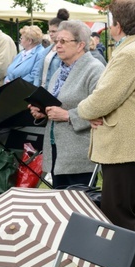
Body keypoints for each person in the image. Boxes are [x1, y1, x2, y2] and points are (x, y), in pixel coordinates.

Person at [78, 0, 135, 267]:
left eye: (111, 20)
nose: (108, 25)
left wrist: (86, 110)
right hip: (133, 144)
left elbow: (104, 97)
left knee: (118, 211)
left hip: (125, 145)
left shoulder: (129, 54)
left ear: (119, 25)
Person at [28, 20, 104, 188]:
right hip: (57, 152)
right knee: (60, 208)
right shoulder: (59, 72)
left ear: (80, 45)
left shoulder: (95, 70)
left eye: (63, 41)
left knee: (79, 208)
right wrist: (43, 112)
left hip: (80, 155)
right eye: (56, 42)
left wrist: (68, 115)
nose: (57, 46)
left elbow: (101, 110)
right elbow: (58, 106)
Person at [40, 10, 69, 87]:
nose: (50, 34)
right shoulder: (47, 50)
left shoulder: (66, 50)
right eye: (49, 31)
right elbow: (39, 71)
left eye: (53, 31)